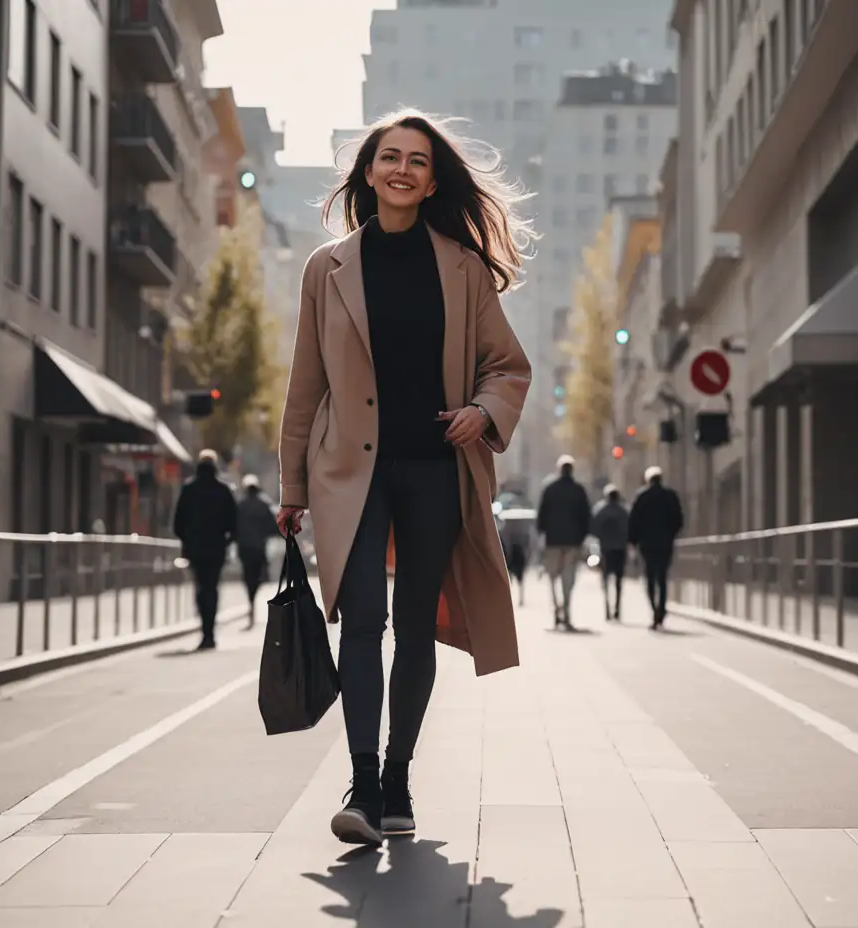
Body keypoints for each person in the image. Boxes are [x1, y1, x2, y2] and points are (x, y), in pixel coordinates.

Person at [276, 109, 533, 846]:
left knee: (415, 625)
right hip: (345, 473)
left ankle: (398, 781)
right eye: (389, 156)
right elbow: (304, 385)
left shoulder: (464, 267)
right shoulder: (326, 268)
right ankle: (360, 782)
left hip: (433, 471)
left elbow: (507, 367)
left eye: (418, 162)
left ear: (430, 182)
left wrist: (483, 413)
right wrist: (292, 487)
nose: (402, 169)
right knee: (362, 621)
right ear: (367, 172)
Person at [172, 449, 238, 650]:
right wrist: (226, 541)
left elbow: (178, 522)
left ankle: (204, 630)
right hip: (216, 547)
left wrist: (186, 540)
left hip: (195, 547)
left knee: (200, 588)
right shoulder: (223, 490)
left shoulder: (189, 488)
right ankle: (210, 631)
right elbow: (234, 522)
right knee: (212, 587)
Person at [535, 455, 591, 630]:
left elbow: (541, 515)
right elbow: (586, 516)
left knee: (552, 578)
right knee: (568, 579)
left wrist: (542, 532)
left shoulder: (549, 488)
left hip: (553, 540)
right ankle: (566, 611)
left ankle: (556, 609)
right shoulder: (579, 490)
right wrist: (583, 536)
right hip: (573, 542)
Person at [628, 465, 685, 630]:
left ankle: (654, 610)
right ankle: (661, 610)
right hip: (665, 543)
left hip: (647, 544)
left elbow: (634, 521)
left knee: (650, 578)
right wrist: (672, 534)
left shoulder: (641, 496)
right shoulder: (670, 496)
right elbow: (678, 519)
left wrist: (633, 541)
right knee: (662, 578)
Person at [235, 474, 280, 629]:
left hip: (244, 547)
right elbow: (273, 526)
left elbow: (234, 525)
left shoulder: (241, 505)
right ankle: (253, 600)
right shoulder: (264, 505)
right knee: (259, 575)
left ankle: (251, 600)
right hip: (259, 547)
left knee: (248, 576)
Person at [591, 484, 630, 622]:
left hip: (605, 549)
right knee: (619, 581)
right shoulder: (624, 511)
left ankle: (607, 608)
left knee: (606, 579)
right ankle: (617, 609)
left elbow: (594, 528)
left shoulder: (600, 510)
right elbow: (629, 529)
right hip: (620, 548)